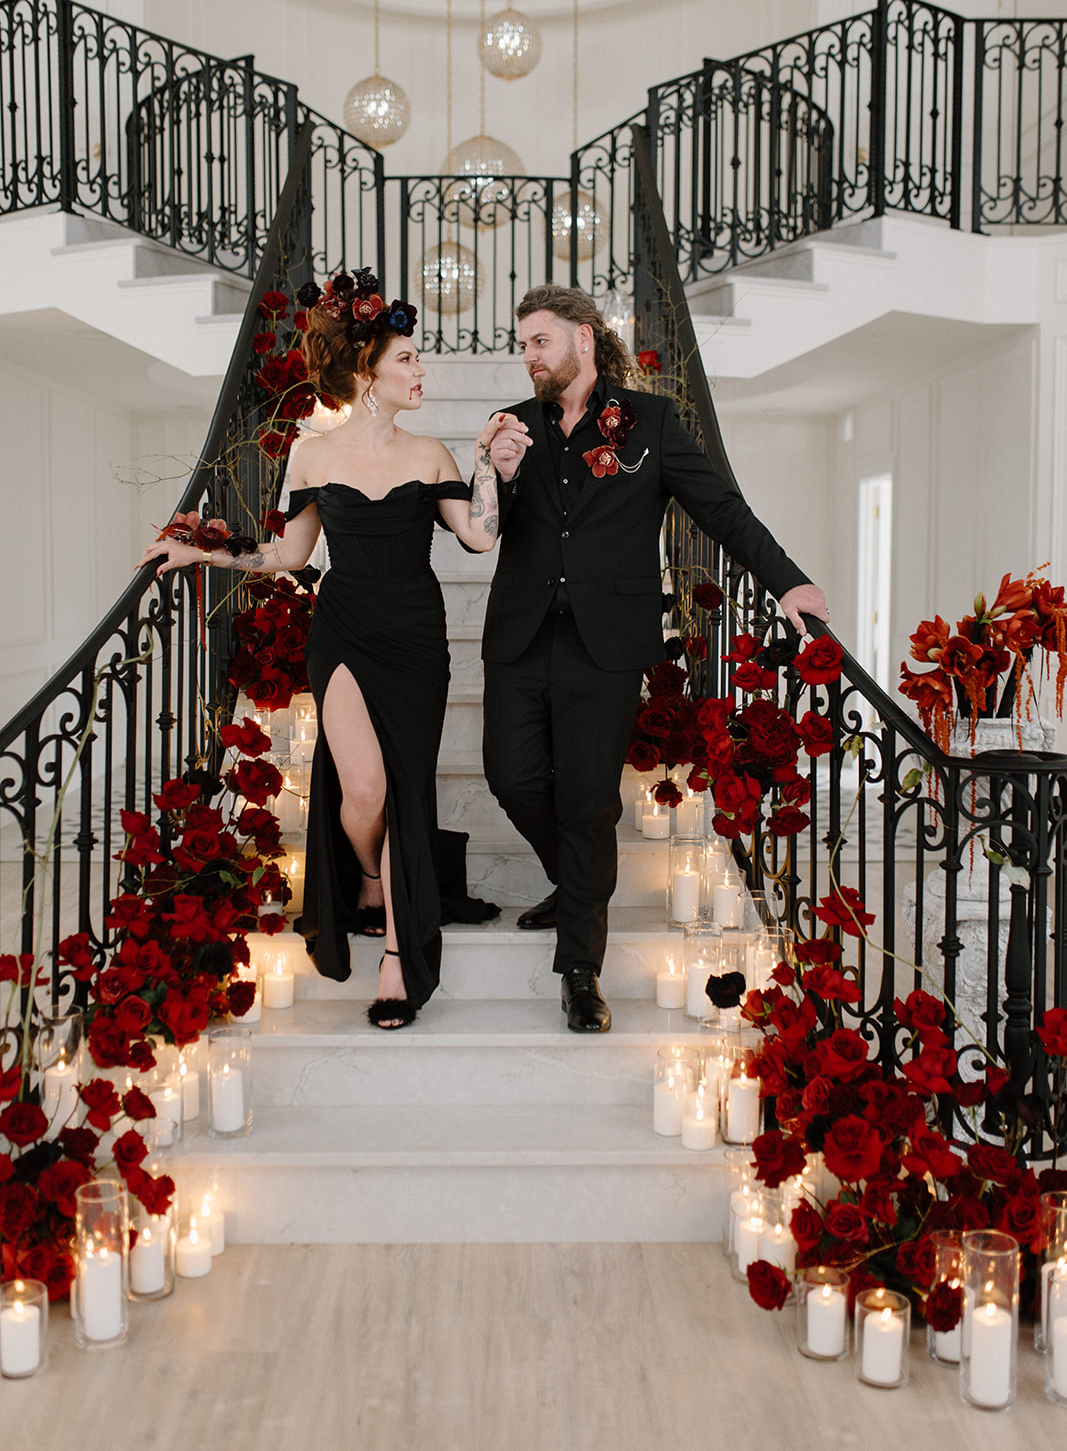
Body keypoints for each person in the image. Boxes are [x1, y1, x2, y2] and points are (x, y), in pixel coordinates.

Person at [140, 270, 518, 1029]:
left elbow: (479, 536)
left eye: (418, 359)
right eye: (408, 359)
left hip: (414, 636)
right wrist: (203, 550)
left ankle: (394, 955)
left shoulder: (431, 452)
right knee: (365, 791)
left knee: (403, 786)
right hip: (342, 631)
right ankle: (375, 876)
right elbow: (287, 557)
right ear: (365, 371)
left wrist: (487, 463)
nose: (421, 371)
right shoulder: (311, 456)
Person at [481, 284, 830, 1034]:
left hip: (603, 643)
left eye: (539, 339)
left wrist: (788, 580)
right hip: (519, 634)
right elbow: (484, 529)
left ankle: (580, 972)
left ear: (581, 338)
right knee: (509, 775)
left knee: (588, 802)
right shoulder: (511, 425)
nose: (527, 354)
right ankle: (578, 884)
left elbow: (723, 509)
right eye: (524, 343)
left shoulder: (652, 422)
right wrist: (497, 471)